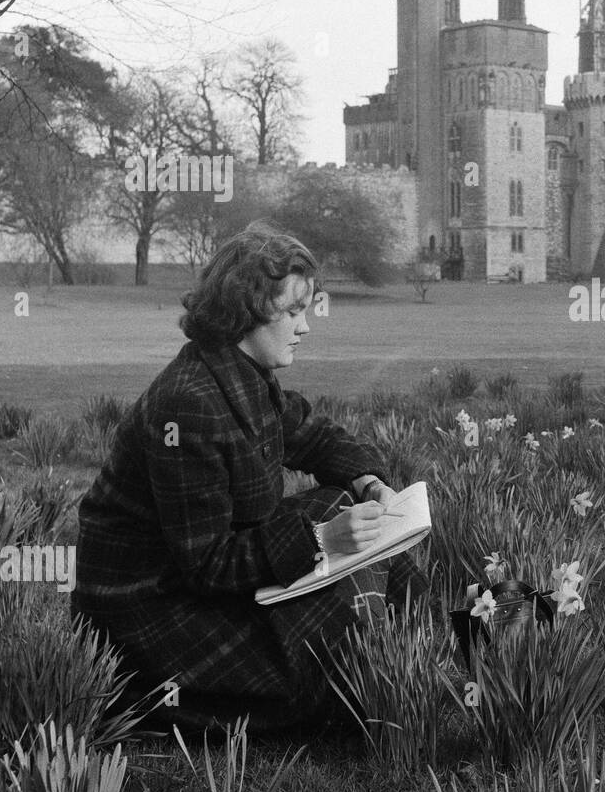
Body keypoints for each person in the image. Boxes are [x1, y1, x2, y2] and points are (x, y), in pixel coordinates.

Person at [73, 222, 423, 734]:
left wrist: (369, 481)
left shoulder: (243, 373)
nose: (305, 328)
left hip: (200, 580)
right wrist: (324, 540)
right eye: (293, 311)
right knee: (326, 662)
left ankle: (423, 652)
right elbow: (206, 565)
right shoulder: (189, 405)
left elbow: (313, 436)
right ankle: (383, 673)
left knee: (346, 519)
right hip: (149, 610)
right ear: (247, 311)